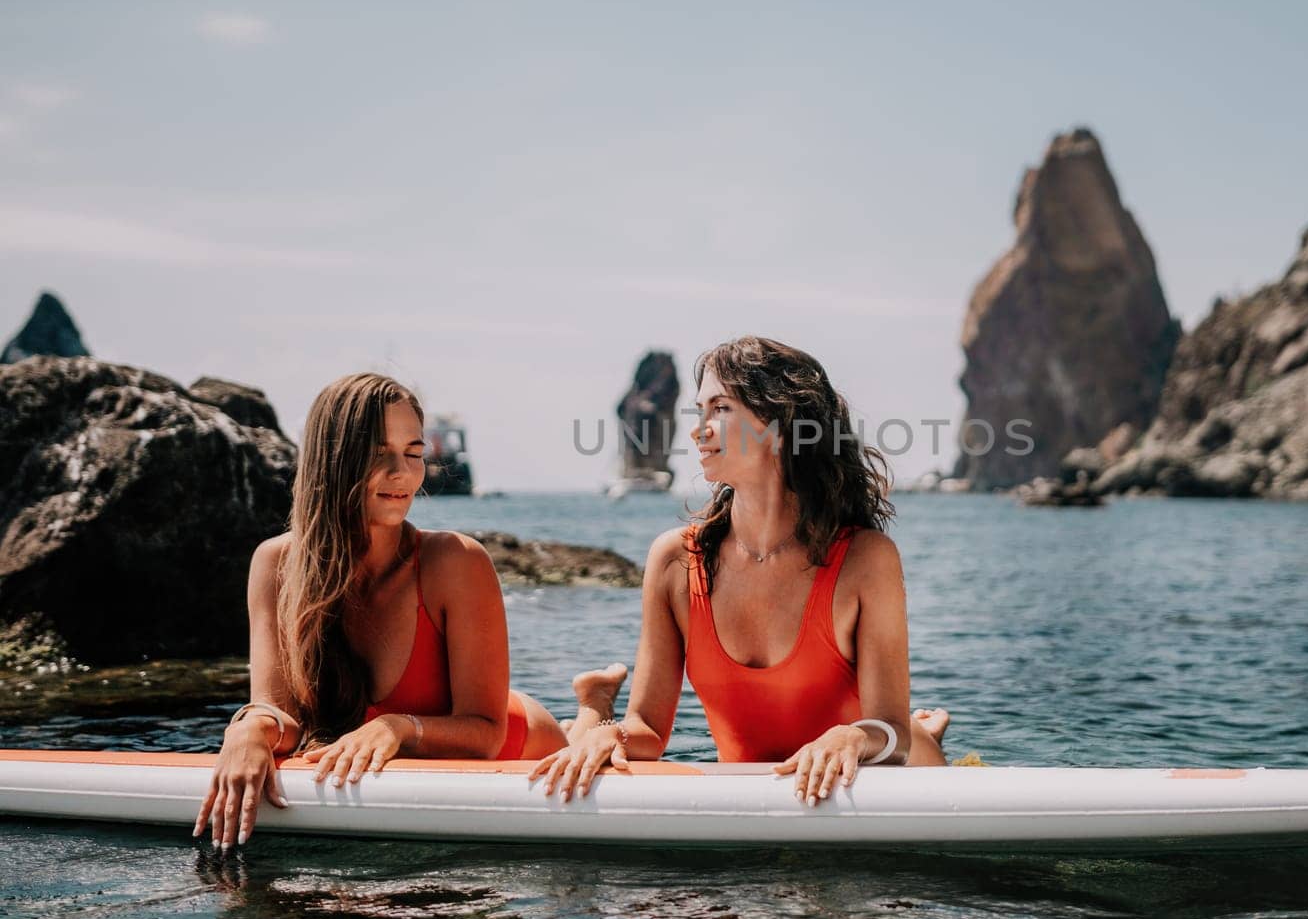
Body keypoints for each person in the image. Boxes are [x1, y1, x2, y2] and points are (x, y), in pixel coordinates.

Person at [194, 372, 625, 851]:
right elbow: (282, 713)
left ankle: (594, 707)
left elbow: (485, 734)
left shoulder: (454, 561)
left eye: (415, 453)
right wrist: (251, 727)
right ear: (331, 461)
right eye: (380, 455)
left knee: (581, 745)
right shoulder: (276, 563)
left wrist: (397, 726)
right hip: (428, 739)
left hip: (513, 737)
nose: (403, 473)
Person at [535, 336, 949, 806]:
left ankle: (929, 731)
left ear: (779, 424)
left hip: (886, 773)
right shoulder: (675, 561)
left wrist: (853, 736)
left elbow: (889, 731)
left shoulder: (865, 559)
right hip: (766, 795)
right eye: (698, 411)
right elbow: (648, 729)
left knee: (910, 733)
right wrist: (617, 737)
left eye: (720, 408)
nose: (697, 431)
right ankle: (595, 710)